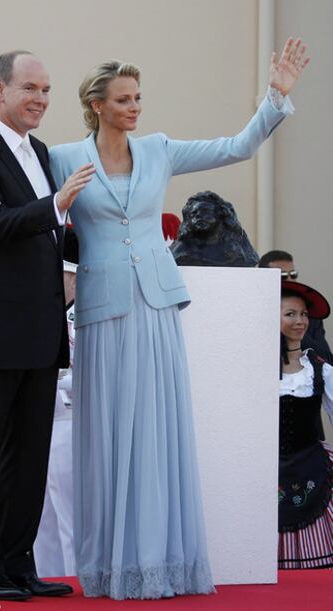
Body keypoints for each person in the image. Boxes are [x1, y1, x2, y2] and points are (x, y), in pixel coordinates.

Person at [49, 38, 309, 599]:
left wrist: (275, 98)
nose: (135, 107)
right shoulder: (64, 158)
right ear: (97, 105)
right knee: (110, 433)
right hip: (100, 310)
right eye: (123, 99)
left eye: (138, 97)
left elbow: (236, 147)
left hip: (157, 306)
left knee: (158, 429)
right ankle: (112, 566)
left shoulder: (160, 149)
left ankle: (163, 560)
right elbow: (38, 219)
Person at [0, 51, 94, 601]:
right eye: (30, 88)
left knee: (29, 457)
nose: (41, 100)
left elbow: (52, 235)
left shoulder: (43, 152)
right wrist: (55, 203)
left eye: (47, 90)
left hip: (39, 328)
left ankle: (17, 566)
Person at [278, 280, 333, 568]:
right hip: (267, 468)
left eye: (303, 315)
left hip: (310, 461)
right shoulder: (255, 367)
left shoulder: (320, 369)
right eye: (290, 314)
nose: (299, 321)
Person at [34, 260, 77, 577]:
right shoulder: (46, 313)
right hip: (39, 423)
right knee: (40, 518)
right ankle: (46, 578)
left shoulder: (81, 317)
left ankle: (75, 581)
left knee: (70, 517)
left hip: (69, 421)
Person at [259, 250, 333, 364]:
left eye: (293, 275)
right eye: (282, 276)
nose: (290, 280)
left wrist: (297, 331)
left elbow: (326, 358)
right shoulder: (255, 312)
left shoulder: (310, 315)